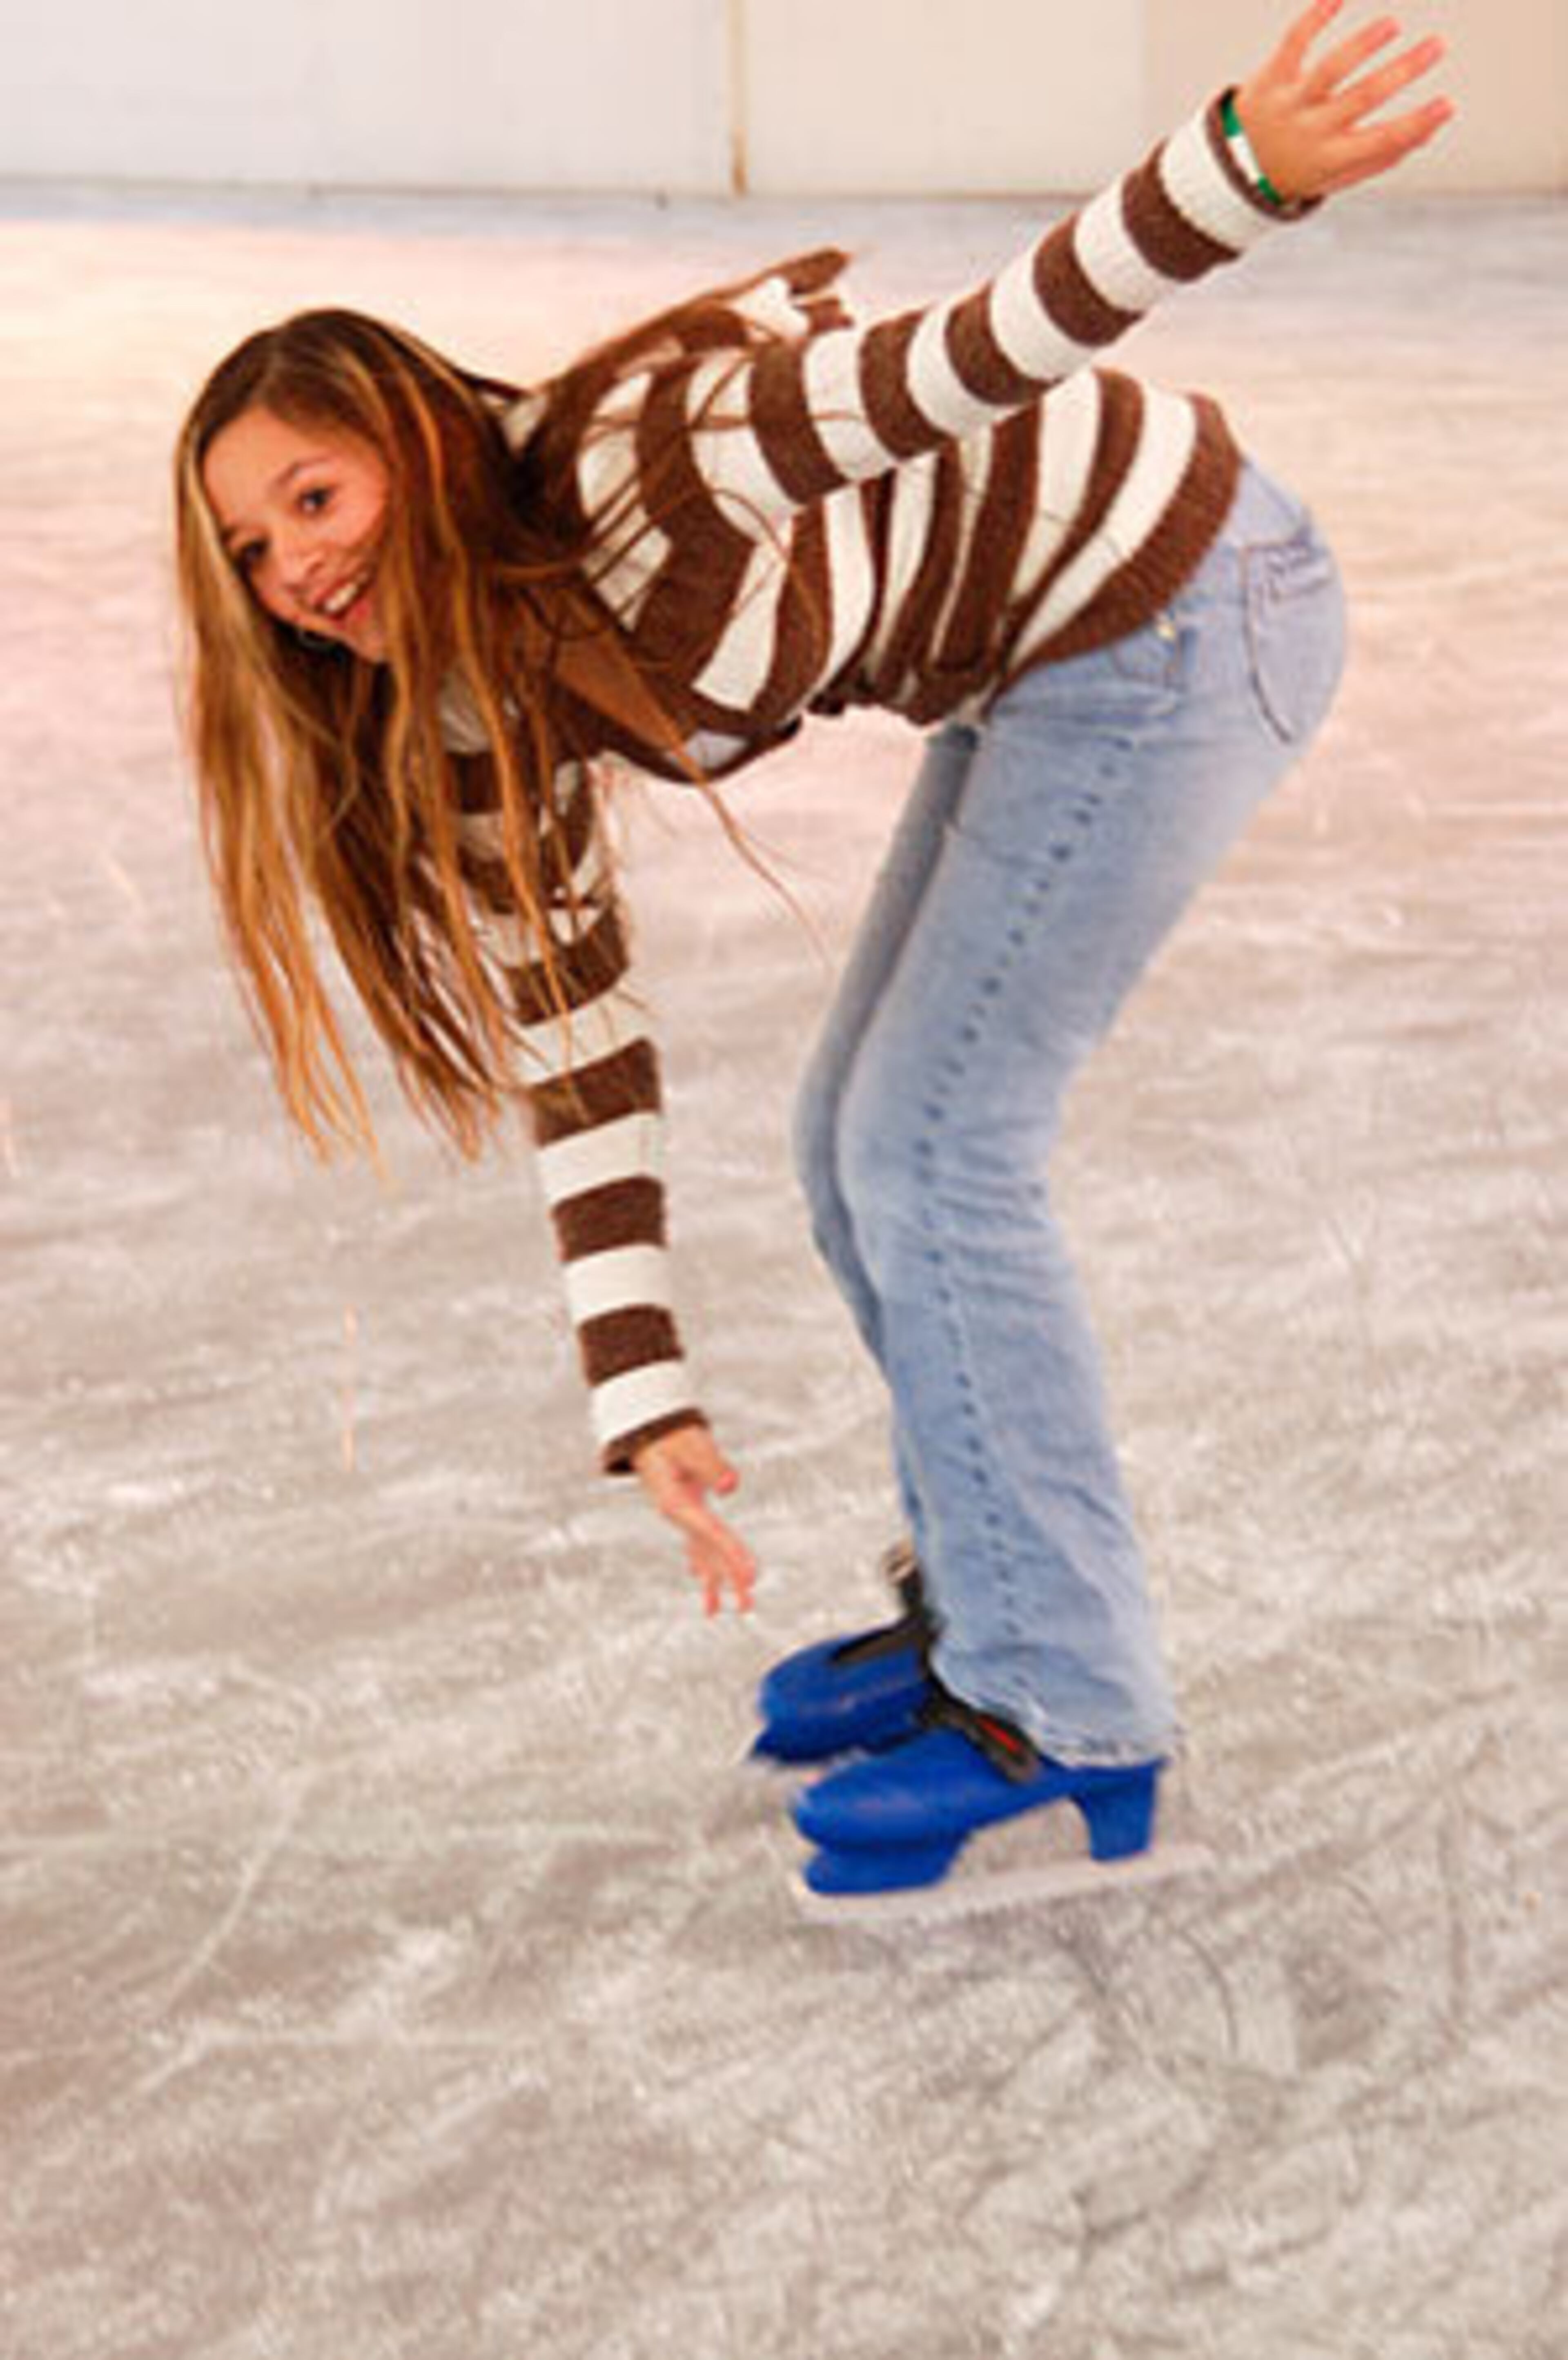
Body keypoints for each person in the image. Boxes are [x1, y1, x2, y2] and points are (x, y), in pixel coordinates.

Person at [174, 0, 1452, 1902]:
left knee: (938, 1147)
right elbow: (576, 1041)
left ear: (418, 447)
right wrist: (647, 1398)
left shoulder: (650, 463)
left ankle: (1068, 1705)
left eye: (317, 497)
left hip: (1185, 606)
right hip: (1042, 663)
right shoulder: (453, 709)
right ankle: (985, 1616)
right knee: (851, 1136)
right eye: (255, 548)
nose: (299, 569)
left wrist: (1243, 166)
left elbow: (965, 356)